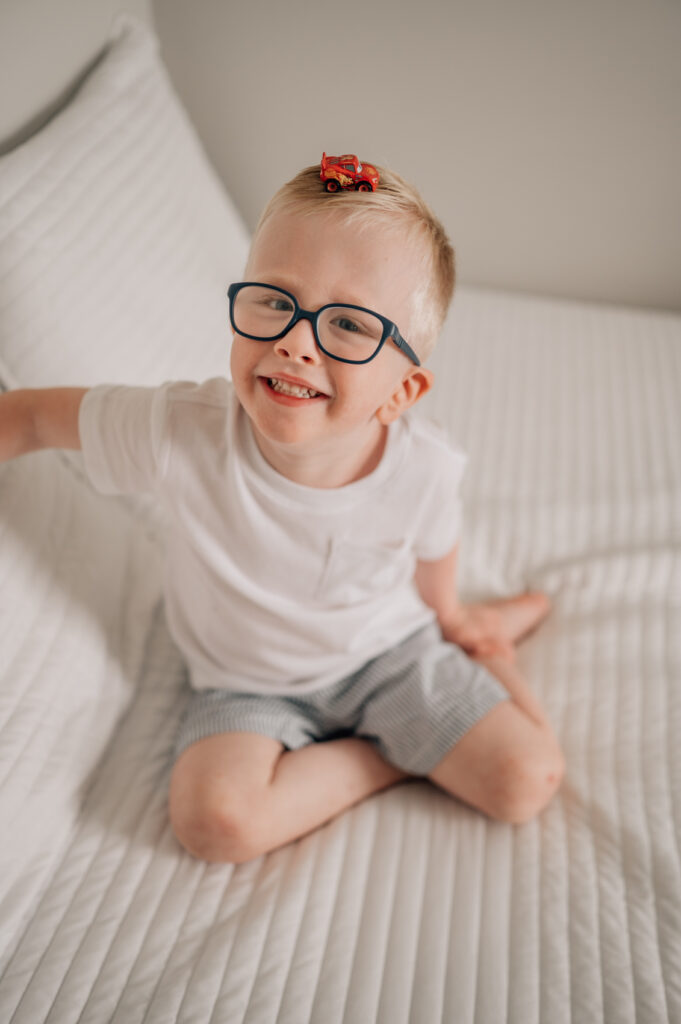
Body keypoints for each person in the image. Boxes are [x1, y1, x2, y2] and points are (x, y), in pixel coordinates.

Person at [0, 160, 565, 864]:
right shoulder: (180, 428)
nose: (295, 341)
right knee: (215, 824)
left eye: (350, 324)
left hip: (387, 656)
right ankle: (386, 754)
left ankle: (490, 646)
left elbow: (436, 542)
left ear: (402, 391)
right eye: (273, 300)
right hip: (245, 681)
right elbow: (25, 418)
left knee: (526, 780)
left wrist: (450, 616)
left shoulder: (422, 466)